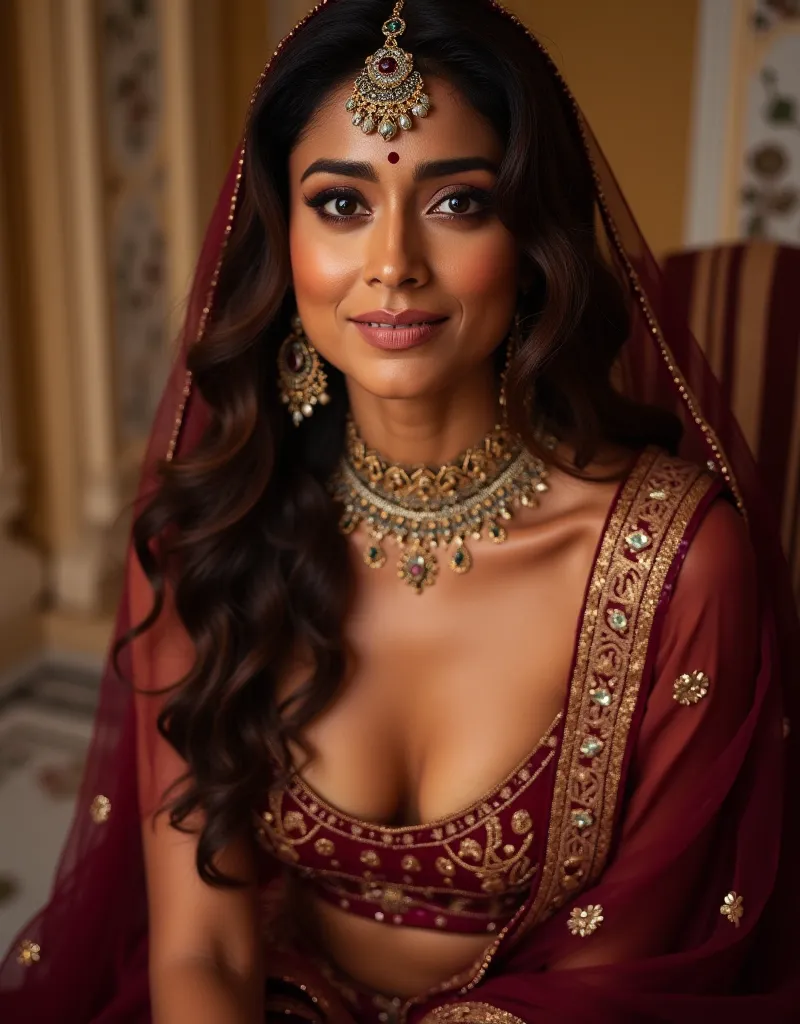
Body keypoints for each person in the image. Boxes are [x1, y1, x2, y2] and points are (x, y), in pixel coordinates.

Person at [1, 1, 798, 1021]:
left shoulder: (675, 565)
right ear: (278, 235)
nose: (391, 264)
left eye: (456, 202)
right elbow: (200, 946)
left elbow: (621, 972)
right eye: (338, 204)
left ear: (531, 233)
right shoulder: (202, 532)